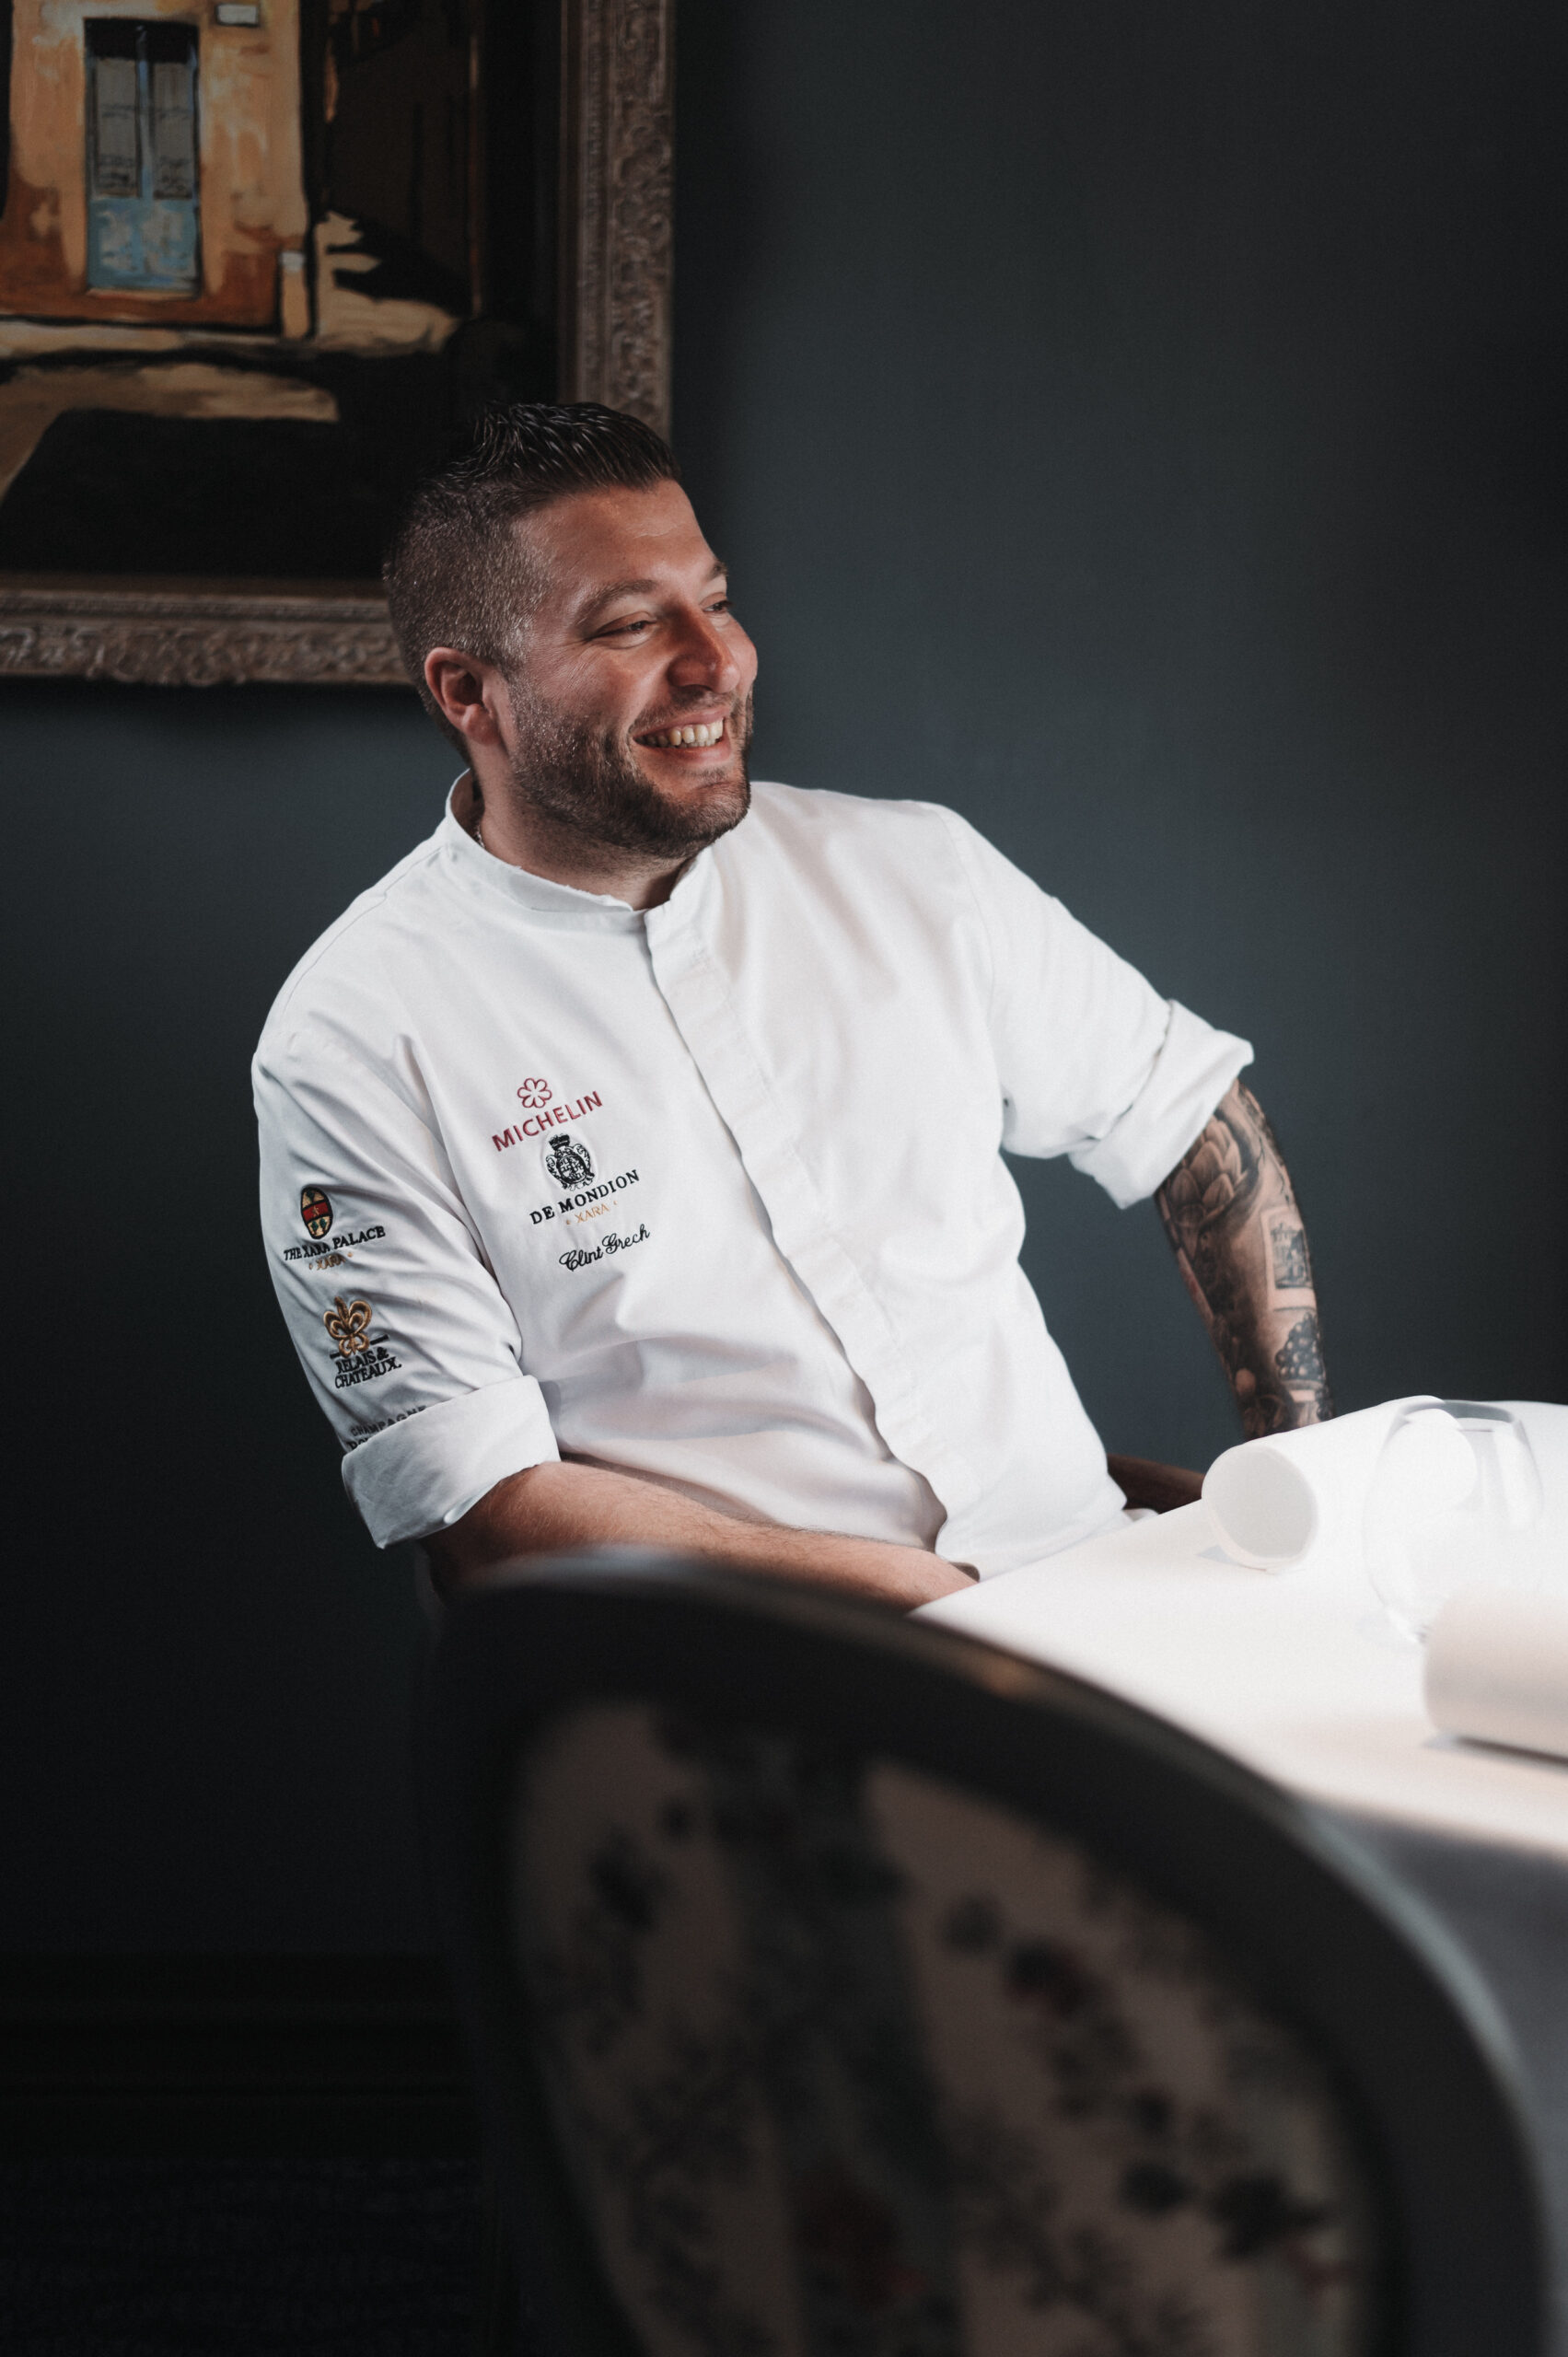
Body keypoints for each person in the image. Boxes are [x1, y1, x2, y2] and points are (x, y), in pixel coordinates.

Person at [253, 403, 1330, 1608]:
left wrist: (1296, 1471)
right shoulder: (354, 1038)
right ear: (469, 691)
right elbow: (489, 1508)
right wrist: (947, 1605)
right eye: (629, 625)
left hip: (1094, 1592)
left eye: (712, 600)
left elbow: (1195, 1121)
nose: (718, 660)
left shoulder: (916, 870)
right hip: (749, 1691)